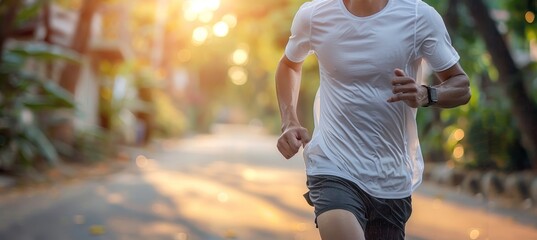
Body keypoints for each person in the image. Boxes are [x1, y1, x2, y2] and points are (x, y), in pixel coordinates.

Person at [275, 0, 471, 239]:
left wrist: (425, 94)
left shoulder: (419, 16)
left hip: (391, 176)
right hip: (333, 164)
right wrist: (289, 121)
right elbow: (289, 65)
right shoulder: (314, 15)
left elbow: (461, 86)